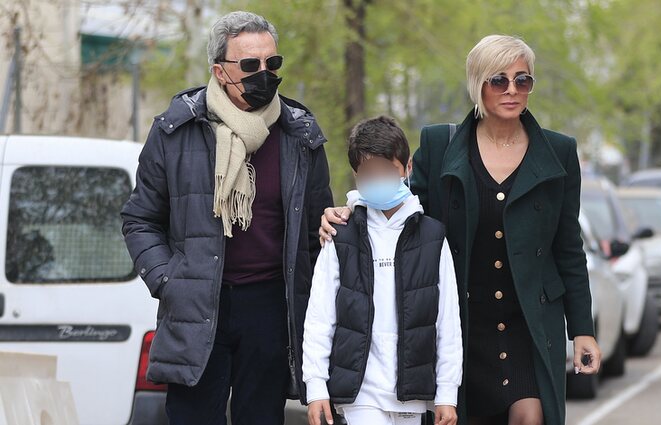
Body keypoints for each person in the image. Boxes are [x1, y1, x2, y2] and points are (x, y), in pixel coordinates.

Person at [319, 35, 601, 425]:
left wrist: (582, 329)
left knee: (531, 415)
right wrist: (350, 211)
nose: (512, 90)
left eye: (523, 80)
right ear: (477, 83)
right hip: (462, 320)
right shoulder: (441, 144)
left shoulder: (559, 151)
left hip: (529, 324)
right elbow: (404, 211)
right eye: (499, 80)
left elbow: (568, 247)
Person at [121, 11, 333, 425]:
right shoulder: (176, 130)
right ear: (219, 71)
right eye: (250, 66)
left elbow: (314, 232)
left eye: (273, 64)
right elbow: (139, 219)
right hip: (198, 304)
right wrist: (169, 280)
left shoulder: (300, 134)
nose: (265, 74)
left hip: (271, 307)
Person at [303, 116, 462, 425]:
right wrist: (316, 385)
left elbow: (448, 321)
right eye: (368, 174)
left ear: (407, 168)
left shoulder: (432, 237)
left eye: (387, 171)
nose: (378, 181)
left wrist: (446, 394)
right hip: (359, 393)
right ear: (356, 176)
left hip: (411, 394)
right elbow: (320, 316)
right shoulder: (342, 234)